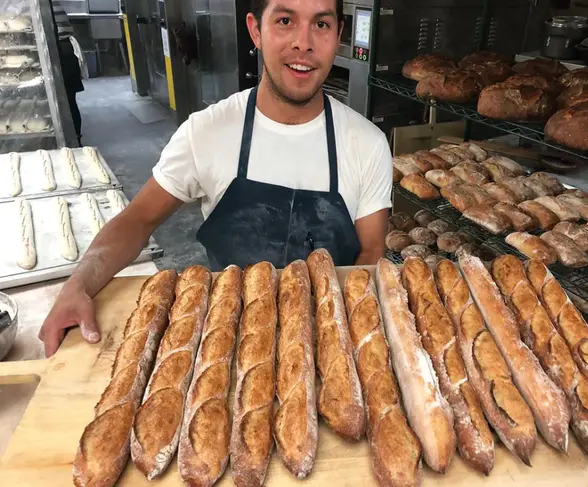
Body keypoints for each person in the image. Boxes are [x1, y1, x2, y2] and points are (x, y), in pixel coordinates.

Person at [39, 0, 393, 357]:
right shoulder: (207, 132)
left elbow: (371, 251)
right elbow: (137, 219)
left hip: (330, 343)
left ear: (338, 35)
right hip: (229, 345)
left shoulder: (366, 143)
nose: (304, 42)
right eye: (285, 20)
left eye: (321, 25)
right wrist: (80, 284)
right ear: (256, 30)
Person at [50, 0, 84, 143]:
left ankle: (73, 140)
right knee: (70, 100)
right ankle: (75, 139)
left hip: (62, 53)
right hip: (66, 51)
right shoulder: (52, 3)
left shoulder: (43, 6)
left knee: (67, 101)